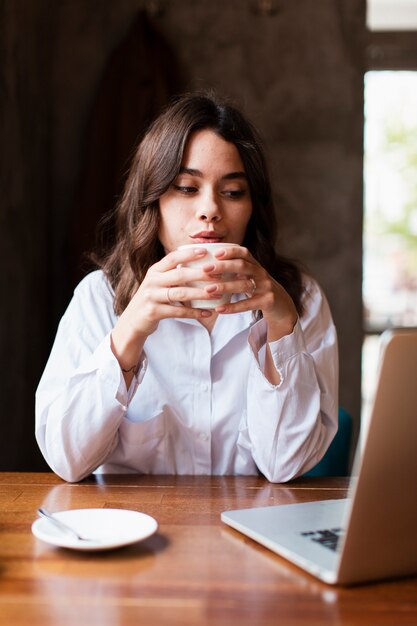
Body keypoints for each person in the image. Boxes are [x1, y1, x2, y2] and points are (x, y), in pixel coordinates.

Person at [35, 91, 338, 483]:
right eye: (186, 187)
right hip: (136, 534)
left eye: (232, 192)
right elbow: (67, 459)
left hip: (248, 534)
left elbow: (286, 465)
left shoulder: (301, 300)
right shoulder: (99, 298)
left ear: (252, 207)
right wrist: (130, 332)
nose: (210, 209)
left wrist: (281, 327)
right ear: (153, 200)